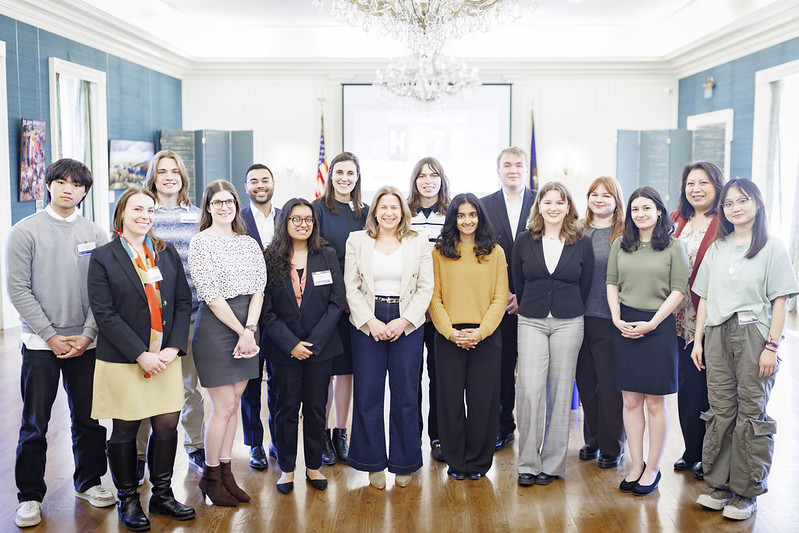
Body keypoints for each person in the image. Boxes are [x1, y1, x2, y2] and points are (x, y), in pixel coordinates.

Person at [7, 159, 114, 528]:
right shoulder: (25, 231)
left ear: (85, 191)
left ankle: (89, 481)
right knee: (35, 423)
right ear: (48, 185)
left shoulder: (97, 234)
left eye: (77, 184)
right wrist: (51, 336)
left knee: (88, 418)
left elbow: (103, 292)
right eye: (61, 182)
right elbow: (18, 290)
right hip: (40, 344)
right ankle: (30, 497)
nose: (68, 188)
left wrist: (86, 335)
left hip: (87, 343)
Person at [88, 187, 195, 531]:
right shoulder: (103, 256)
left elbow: (181, 302)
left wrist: (173, 348)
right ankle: (128, 498)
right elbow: (104, 314)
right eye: (137, 209)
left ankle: (162, 495)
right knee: (125, 428)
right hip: (124, 359)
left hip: (165, 356)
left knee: (166, 425)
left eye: (150, 210)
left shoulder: (165, 253)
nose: (145, 216)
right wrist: (140, 354)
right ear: (121, 213)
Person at [692, 178, 798, 520]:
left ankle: (746, 493)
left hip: (755, 335)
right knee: (721, 410)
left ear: (757, 204)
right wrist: (698, 340)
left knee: (751, 412)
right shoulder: (717, 248)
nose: (735, 208)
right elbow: (704, 298)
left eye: (742, 201)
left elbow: (780, 302)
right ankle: (719, 486)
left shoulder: (772, 247)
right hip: (717, 334)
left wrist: (771, 346)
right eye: (729, 204)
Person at [344, 186, 433, 489]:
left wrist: (404, 321)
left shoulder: (418, 241)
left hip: (406, 322)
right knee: (368, 395)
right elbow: (351, 287)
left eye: (394, 207)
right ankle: (371, 463)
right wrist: (370, 321)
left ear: (403, 212)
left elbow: (425, 288)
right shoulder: (358, 240)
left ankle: (404, 462)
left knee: (406, 395)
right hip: (367, 320)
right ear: (375, 212)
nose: (389, 212)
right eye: (383, 207)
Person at [188, 180, 266, 507]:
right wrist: (241, 331)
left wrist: (250, 329)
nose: (224, 207)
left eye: (229, 201)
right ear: (208, 207)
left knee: (234, 405)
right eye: (217, 202)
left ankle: (226, 472)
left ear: (237, 205)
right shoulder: (200, 243)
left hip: (248, 326)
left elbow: (259, 289)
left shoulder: (248, 243)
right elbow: (211, 296)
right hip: (216, 329)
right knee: (222, 407)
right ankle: (209, 475)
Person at [607, 186, 689, 496]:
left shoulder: (673, 247)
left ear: (659, 211)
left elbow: (678, 291)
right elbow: (612, 283)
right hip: (625, 324)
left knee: (655, 402)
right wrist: (616, 319)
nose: (640, 214)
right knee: (630, 400)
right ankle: (636, 464)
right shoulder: (620, 245)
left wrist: (652, 323)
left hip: (659, 326)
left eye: (646, 208)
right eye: (635, 209)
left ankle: (653, 467)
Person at [512, 181, 594, 486]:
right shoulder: (524, 240)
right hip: (531, 319)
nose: (553, 207)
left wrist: (567, 305)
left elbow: (585, 284)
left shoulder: (581, 242)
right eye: (547, 202)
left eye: (560, 202)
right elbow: (518, 281)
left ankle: (553, 463)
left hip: (569, 321)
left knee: (561, 393)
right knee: (530, 390)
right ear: (539, 207)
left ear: (568, 207)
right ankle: (528, 463)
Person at [261, 199, 345, 494]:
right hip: (283, 350)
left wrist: (313, 342)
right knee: (284, 409)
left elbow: (337, 302)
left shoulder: (327, 255)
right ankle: (286, 468)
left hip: (320, 349)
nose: (303, 224)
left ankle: (313, 466)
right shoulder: (270, 257)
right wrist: (291, 344)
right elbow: (266, 310)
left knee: (315, 408)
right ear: (285, 222)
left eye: (308, 219)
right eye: (296, 219)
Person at [137, 150, 206, 479]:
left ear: (182, 177)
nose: (169, 176)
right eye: (162, 171)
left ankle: (196, 446)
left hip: (192, 314)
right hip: (151, 319)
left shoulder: (197, 215)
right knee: (146, 387)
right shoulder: (143, 214)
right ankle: (138, 456)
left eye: (174, 171)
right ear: (153, 177)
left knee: (191, 387)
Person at [429, 193, 507, 481]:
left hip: (485, 335)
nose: (467, 220)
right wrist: (451, 333)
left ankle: (478, 462)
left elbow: (500, 298)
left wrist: (480, 332)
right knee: (449, 401)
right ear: (453, 219)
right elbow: (433, 298)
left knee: (483, 401)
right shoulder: (439, 252)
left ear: (480, 217)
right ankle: (456, 461)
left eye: (472, 214)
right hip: (448, 335)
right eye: (461, 215)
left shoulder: (495, 252)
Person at [312, 152, 369, 465]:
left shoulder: (365, 211)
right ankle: (319, 434)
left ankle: (340, 434)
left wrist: (355, 298)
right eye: (340, 172)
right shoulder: (318, 209)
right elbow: (316, 254)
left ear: (357, 177)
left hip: (358, 303)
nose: (345, 178)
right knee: (325, 372)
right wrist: (339, 296)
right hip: (326, 301)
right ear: (330, 175)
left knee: (346, 372)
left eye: (351, 173)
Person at [670, 161, 725, 481]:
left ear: (717, 186)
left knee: (710, 387)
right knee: (687, 386)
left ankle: (710, 454)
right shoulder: (677, 220)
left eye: (703, 183)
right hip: (676, 318)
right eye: (691, 183)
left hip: (710, 316)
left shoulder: (724, 222)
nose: (696, 189)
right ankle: (691, 450)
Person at [480, 147, 536, 451]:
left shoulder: (543, 202)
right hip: (497, 302)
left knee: (531, 371)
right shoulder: (485, 205)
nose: (512, 169)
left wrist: (523, 295)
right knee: (500, 369)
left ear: (526, 168)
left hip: (536, 303)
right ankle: (504, 425)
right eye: (507, 165)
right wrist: (504, 296)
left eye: (518, 164)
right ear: (498, 170)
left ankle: (533, 429)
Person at [575, 176, 627, 469]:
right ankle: (592, 439)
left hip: (609, 319)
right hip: (578, 318)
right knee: (586, 384)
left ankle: (613, 445)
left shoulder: (624, 233)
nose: (600, 199)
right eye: (594, 194)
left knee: (610, 387)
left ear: (616, 200)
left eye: (607, 195)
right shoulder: (578, 230)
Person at [407, 156, 451, 462]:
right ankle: (411, 436)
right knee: (410, 375)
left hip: (440, 308)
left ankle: (438, 437)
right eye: (422, 175)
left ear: (441, 180)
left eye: (433, 175)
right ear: (415, 181)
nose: (428, 180)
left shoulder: (450, 216)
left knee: (440, 376)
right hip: (409, 310)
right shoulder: (404, 214)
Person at [239, 163, 282, 470]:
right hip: (247, 312)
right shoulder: (237, 219)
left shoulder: (286, 217)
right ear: (246, 187)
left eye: (265, 180)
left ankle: (278, 440)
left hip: (281, 311)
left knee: (281, 381)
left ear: (273, 183)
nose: (260, 185)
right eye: (254, 181)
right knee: (250, 380)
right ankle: (254, 443)